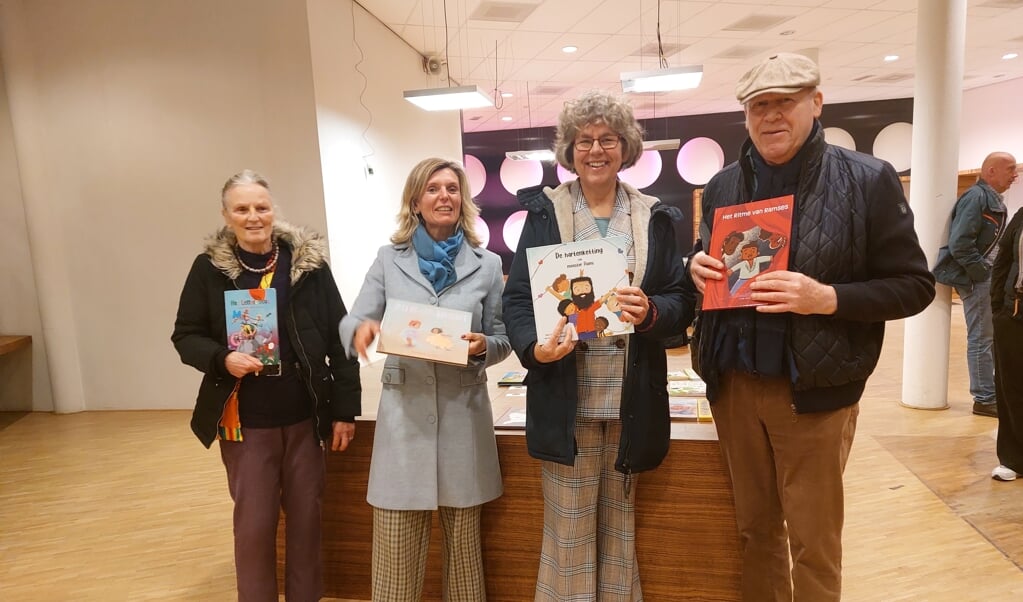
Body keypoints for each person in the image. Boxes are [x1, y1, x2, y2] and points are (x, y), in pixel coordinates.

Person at [686, 53, 935, 601]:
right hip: (734, 387)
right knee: (755, 533)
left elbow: (915, 286)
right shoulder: (725, 186)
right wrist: (695, 266)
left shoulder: (868, 179)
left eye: (785, 102)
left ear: (816, 103)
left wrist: (826, 298)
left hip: (814, 394)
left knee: (813, 543)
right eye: (759, 106)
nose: (771, 116)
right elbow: (712, 267)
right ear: (746, 116)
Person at [502, 90, 692, 601]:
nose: (595, 149)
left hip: (631, 400)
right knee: (568, 532)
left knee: (620, 530)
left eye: (608, 139)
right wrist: (534, 349)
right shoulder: (546, 212)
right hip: (568, 395)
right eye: (583, 140)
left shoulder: (652, 215)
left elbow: (679, 297)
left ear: (625, 147)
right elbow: (519, 299)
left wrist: (651, 311)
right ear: (568, 150)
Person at [172, 169, 361, 601]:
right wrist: (222, 358)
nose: (254, 216)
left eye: (261, 207)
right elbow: (185, 336)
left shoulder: (309, 267)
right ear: (226, 215)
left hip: (305, 419)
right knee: (254, 530)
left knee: (306, 526)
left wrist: (345, 411)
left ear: (274, 210)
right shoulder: (208, 270)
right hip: (246, 424)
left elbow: (341, 338)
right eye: (242, 209)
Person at [339, 158, 510, 602]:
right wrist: (360, 331)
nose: (444, 197)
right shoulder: (388, 260)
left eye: (452, 188)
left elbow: (504, 336)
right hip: (403, 422)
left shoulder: (488, 264)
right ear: (415, 201)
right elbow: (356, 317)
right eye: (433, 189)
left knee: (465, 560)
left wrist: (481, 348)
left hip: (463, 417)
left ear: (463, 199)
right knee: (395, 560)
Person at [933, 152, 1019, 417]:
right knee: (982, 338)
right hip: (978, 279)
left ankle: (988, 393)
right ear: (991, 171)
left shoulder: (990, 199)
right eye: (1011, 169)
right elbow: (960, 243)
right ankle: (984, 398)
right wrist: (982, 273)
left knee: (986, 338)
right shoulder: (977, 197)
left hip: (985, 279)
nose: (1015, 175)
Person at [990, 203, 1023, 481]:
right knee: (1010, 386)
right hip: (1014, 314)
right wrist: (997, 307)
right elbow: (1002, 261)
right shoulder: (1022, 215)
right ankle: (1013, 458)